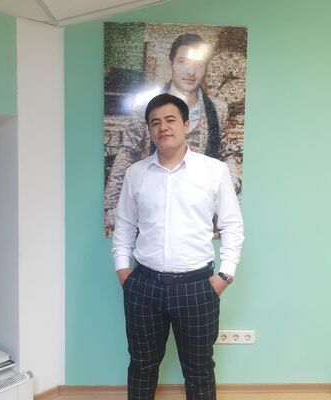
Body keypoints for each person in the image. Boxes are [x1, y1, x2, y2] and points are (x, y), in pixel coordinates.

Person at [112, 93, 244, 400]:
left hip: (197, 287)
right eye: (155, 122)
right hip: (144, 285)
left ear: (186, 124)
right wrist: (124, 273)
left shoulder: (214, 171)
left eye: (170, 120)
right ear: (149, 129)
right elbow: (124, 226)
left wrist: (225, 276)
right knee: (142, 365)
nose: (163, 127)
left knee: (199, 370)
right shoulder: (136, 174)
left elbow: (232, 225)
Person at [105, 33, 241, 235]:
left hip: (199, 209)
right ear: (172, 64)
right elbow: (128, 152)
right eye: (183, 61)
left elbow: (225, 153)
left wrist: (230, 188)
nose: (191, 71)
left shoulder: (217, 109)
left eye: (199, 64)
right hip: (156, 205)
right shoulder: (146, 106)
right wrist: (111, 204)